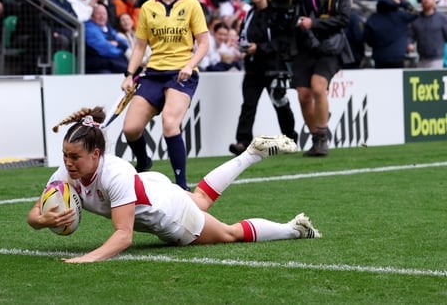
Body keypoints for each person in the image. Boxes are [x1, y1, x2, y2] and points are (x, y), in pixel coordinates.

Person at [27, 106, 319, 263]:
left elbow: (123, 236)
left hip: (168, 212)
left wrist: (87, 258)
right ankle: (250, 154)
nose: (68, 162)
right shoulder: (66, 174)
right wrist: (42, 220)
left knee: (229, 234)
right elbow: (34, 213)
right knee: (201, 198)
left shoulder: (114, 174)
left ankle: (294, 229)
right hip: (152, 185)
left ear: (95, 154)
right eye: (64, 155)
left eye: (74, 156)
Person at [120, 0, 209, 190]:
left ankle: (181, 184)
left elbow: (204, 43)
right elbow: (140, 46)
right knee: (130, 128)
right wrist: (129, 74)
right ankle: (144, 161)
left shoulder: (191, 5)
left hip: (181, 73)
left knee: (170, 123)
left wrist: (190, 65)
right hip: (153, 73)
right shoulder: (148, 8)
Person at [292, 0, 353, 157]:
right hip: (306, 43)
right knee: (303, 95)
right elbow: (295, 11)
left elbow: (344, 19)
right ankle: (316, 138)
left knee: (318, 87)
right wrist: (299, 22)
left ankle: (322, 137)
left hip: (330, 46)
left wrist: (315, 23)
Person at [229, 0, 298, 156]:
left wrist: (259, 48)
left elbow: (282, 40)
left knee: (280, 103)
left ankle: (290, 138)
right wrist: (243, 45)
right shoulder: (250, 14)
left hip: (274, 66)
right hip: (253, 67)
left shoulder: (277, 13)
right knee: (248, 105)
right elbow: (243, 35)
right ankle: (243, 142)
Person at [363, 0, 419, 69]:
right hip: (398, 56)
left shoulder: (373, 18)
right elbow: (415, 12)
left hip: (380, 57)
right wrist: (402, 2)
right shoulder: (401, 16)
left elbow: (367, 39)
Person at [84, 4, 129, 74]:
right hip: (98, 66)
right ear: (92, 16)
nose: (102, 16)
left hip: (111, 62)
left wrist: (116, 44)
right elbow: (106, 49)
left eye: (104, 14)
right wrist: (118, 47)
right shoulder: (89, 28)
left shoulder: (108, 28)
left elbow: (125, 43)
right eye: (98, 14)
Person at [409, 0, 447, 69]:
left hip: (437, 59)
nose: (426, 0)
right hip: (421, 59)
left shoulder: (442, 19)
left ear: (434, 2)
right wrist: (409, 43)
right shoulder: (416, 19)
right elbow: (411, 35)